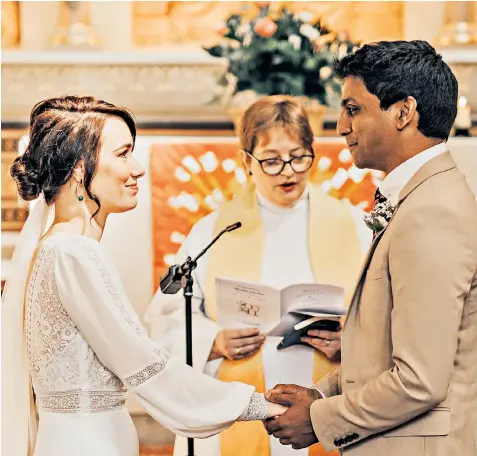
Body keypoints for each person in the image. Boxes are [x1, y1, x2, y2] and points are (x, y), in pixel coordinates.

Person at [1, 95, 287, 456]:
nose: (137, 168)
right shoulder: (73, 251)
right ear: (78, 168)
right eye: (122, 154)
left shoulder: (58, 248)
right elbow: (145, 366)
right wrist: (258, 405)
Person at [265, 41, 477, 456]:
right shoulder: (421, 197)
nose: (342, 126)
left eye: (354, 109)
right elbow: (393, 352)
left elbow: (419, 380)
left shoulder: (432, 211)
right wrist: (321, 395)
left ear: (403, 112)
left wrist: (319, 420)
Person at [146, 95, 371, 456]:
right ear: (245, 161)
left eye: (299, 157)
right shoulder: (213, 230)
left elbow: (384, 313)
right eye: (271, 161)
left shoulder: (354, 226)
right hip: (237, 410)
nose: (288, 171)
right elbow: (168, 317)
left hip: (326, 406)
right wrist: (214, 341)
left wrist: (353, 342)